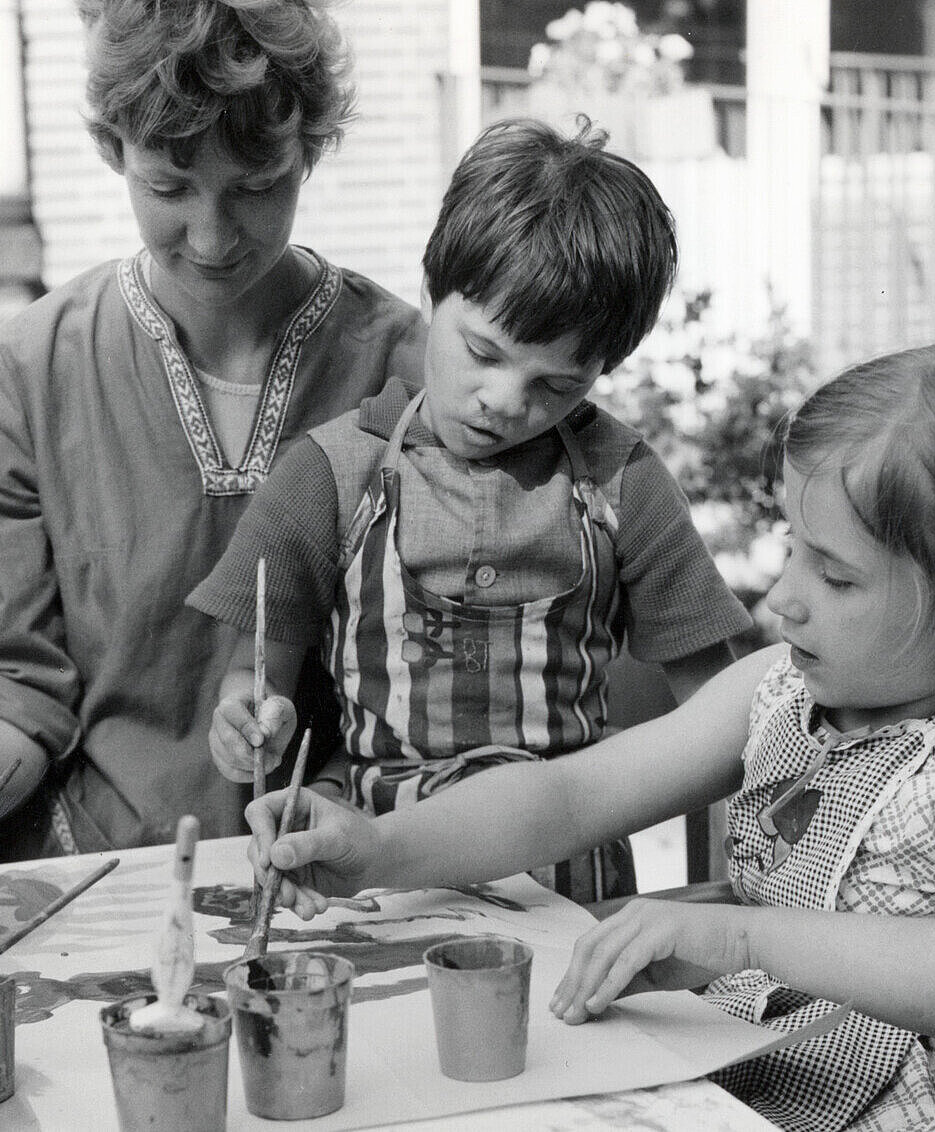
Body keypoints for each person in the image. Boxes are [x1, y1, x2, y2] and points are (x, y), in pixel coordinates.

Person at [246, 341, 935, 1130]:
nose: (784, 597)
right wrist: (379, 848)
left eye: (836, 577)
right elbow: (570, 796)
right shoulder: (779, 692)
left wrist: (747, 939)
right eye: (793, 548)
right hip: (768, 1086)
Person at [0, 0, 426, 889]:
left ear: (308, 150)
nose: (211, 236)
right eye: (168, 188)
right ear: (113, 150)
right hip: (93, 880)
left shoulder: (407, 371)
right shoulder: (24, 377)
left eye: (256, 185)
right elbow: (19, 688)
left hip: (337, 872)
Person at [190, 117, 751, 903]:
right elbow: (254, 683)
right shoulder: (329, 476)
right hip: (380, 886)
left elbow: (719, 720)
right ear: (431, 288)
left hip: (569, 893)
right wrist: (246, 720)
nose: (505, 402)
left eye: (557, 385)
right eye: (484, 352)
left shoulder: (625, 484)